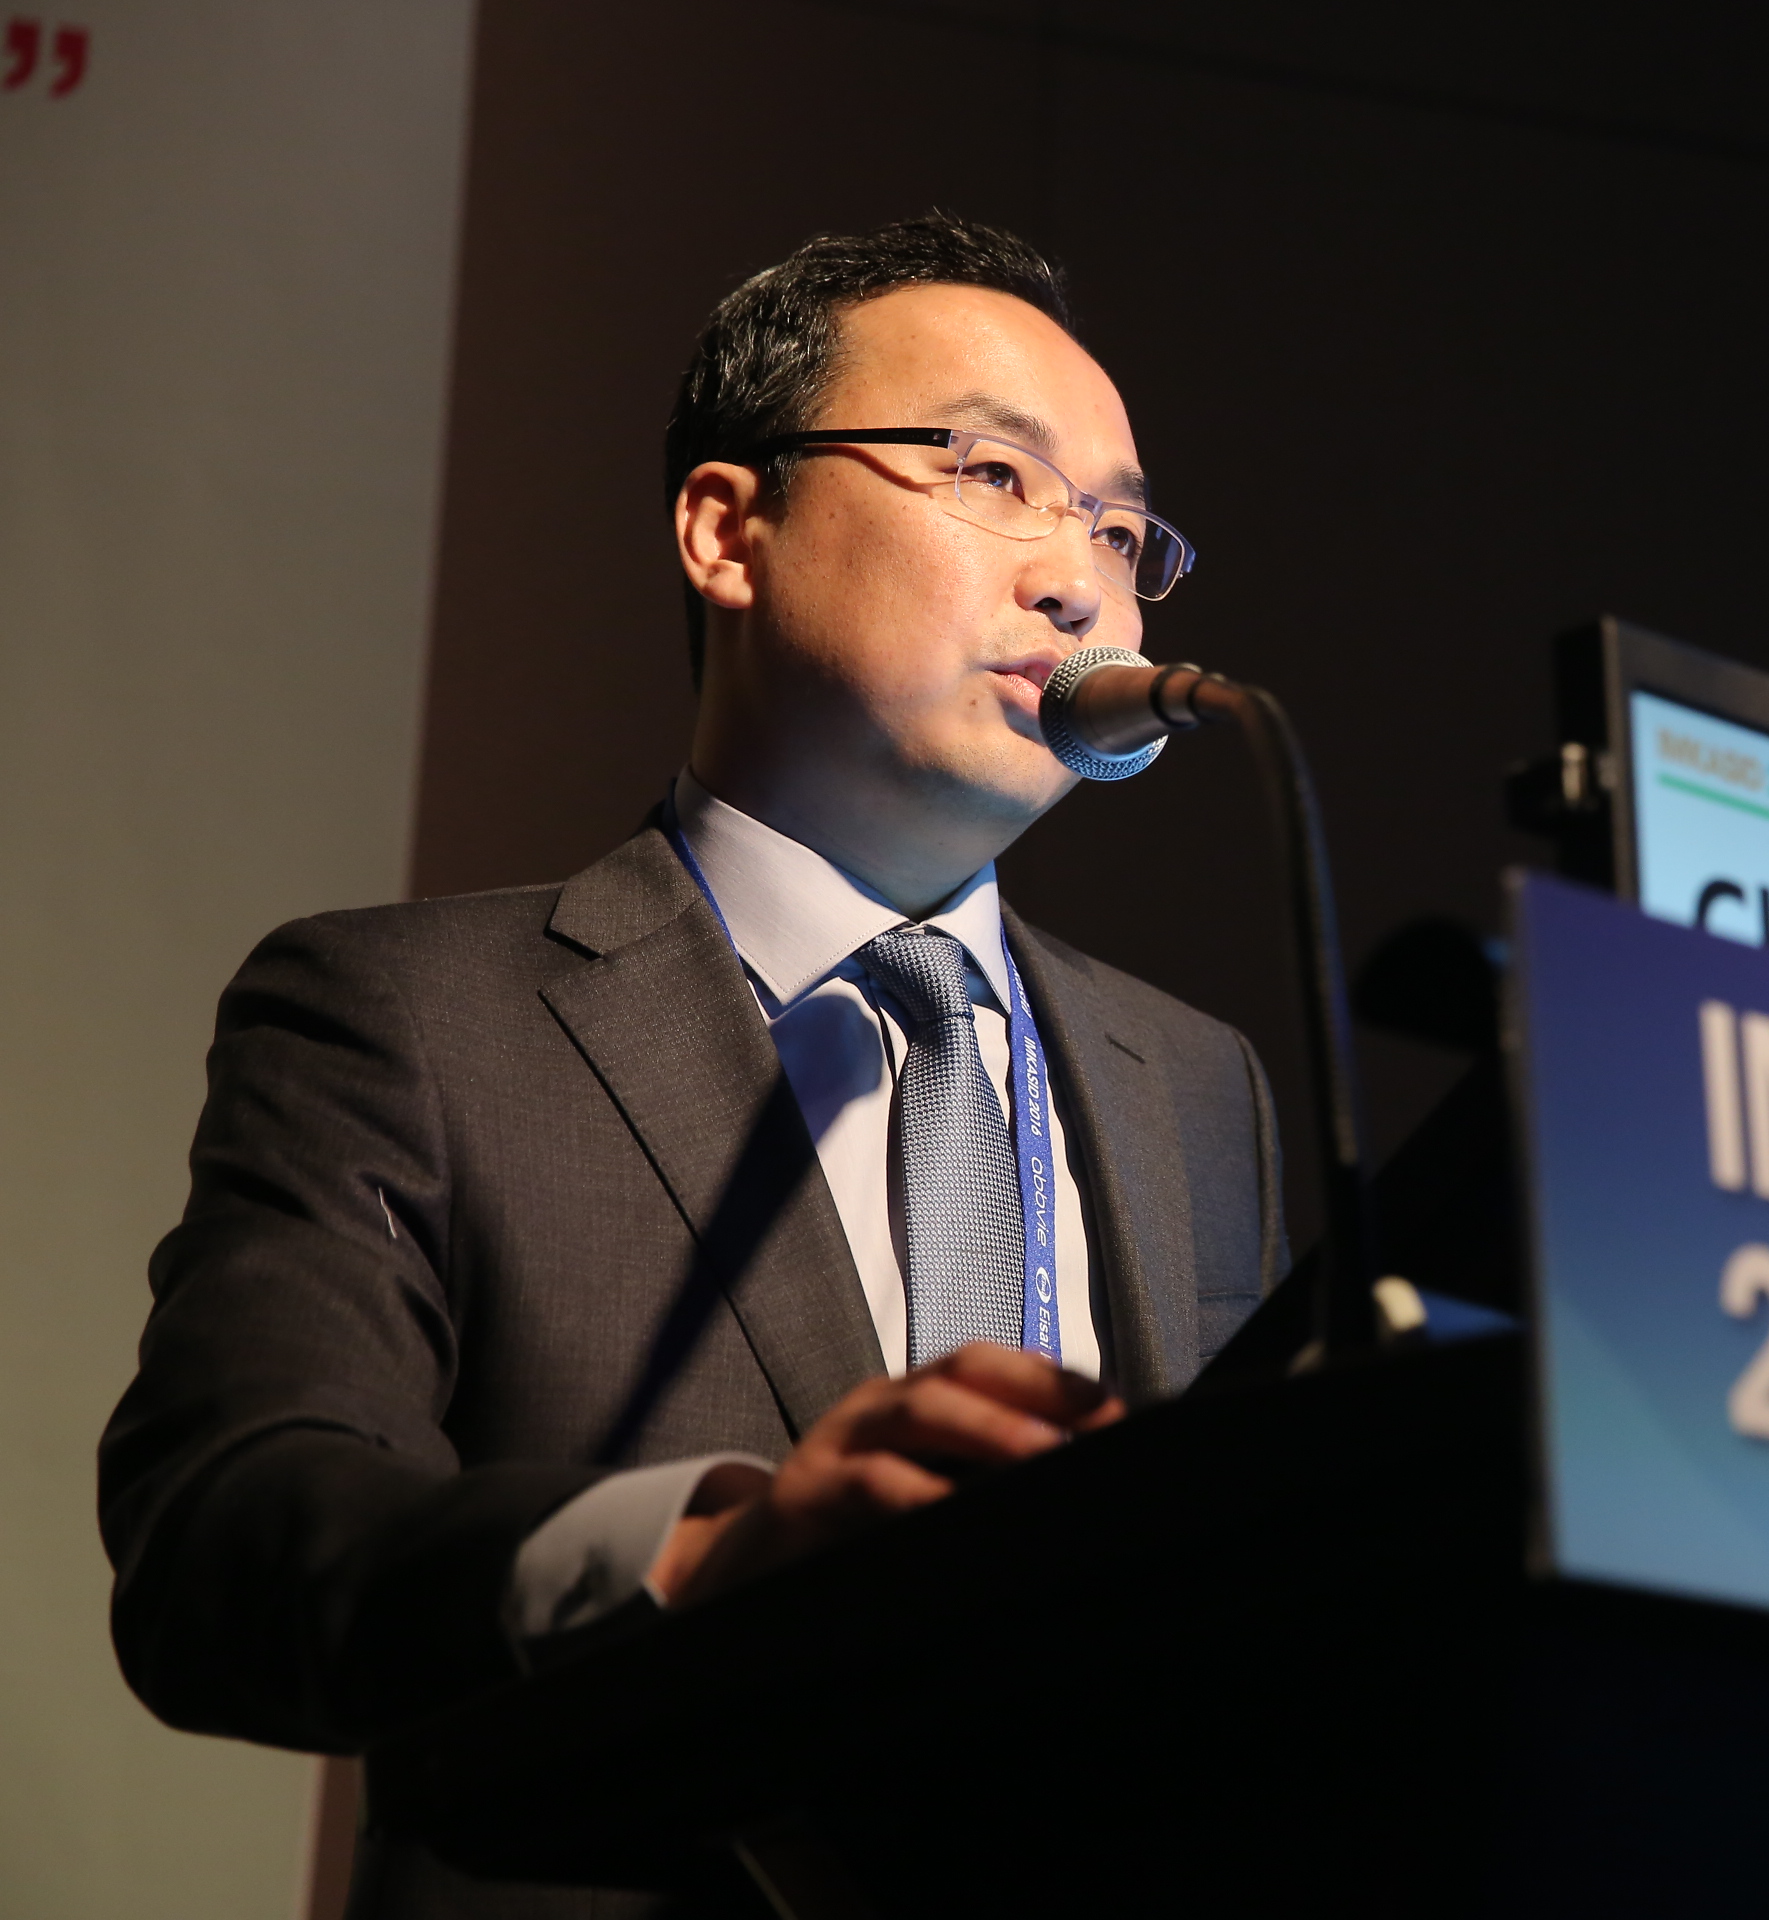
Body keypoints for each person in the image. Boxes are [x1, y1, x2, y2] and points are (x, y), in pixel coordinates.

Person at [98, 214, 1285, 1916]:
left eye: (1116, 525)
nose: (1079, 579)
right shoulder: (411, 1016)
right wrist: (711, 1555)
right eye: (993, 476)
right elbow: (223, 1547)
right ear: (728, 530)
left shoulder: (1196, 1083)